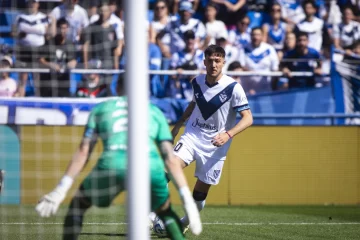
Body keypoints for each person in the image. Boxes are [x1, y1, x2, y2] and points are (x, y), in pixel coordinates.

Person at [35, 74, 202, 240]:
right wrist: (187, 199)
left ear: (117, 88)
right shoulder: (154, 112)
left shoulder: (102, 109)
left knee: (79, 205)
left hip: (112, 164)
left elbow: (83, 151)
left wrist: (61, 189)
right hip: (149, 167)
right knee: (165, 211)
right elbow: (170, 158)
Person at [171, 45, 253, 233]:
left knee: (199, 195)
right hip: (192, 136)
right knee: (169, 168)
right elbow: (194, 104)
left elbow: (248, 118)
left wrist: (228, 134)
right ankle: (152, 217)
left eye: (217, 60)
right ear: (204, 62)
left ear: (223, 62)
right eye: (210, 60)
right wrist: (178, 126)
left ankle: (184, 222)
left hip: (215, 146)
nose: (213, 64)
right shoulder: (197, 82)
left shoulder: (234, 88)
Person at [38, 18, 77, 97]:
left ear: (68, 29)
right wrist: (50, 64)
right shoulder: (49, 43)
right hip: (48, 84)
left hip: (63, 83)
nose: (62, 31)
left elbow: (73, 61)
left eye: (65, 28)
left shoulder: (70, 44)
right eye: (60, 28)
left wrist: (70, 64)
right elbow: (40, 60)